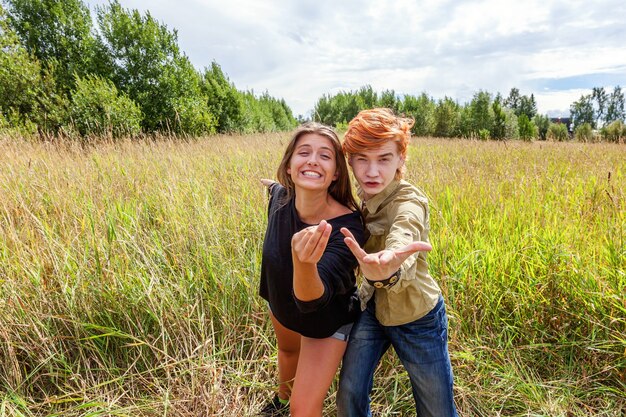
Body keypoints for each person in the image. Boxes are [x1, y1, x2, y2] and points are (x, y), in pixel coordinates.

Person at [337, 108, 458, 417]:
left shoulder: (409, 201)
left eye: (384, 159)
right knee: (349, 394)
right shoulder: (362, 196)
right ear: (350, 161)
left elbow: (405, 229)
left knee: (437, 411)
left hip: (418, 317)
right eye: (362, 159)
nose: (372, 172)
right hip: (374, 310)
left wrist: (390, 265)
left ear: (401, 159)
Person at [258, 122, 366, 417]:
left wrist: (304, 263)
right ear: (290, 166)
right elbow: (276, 186)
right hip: (281, 304)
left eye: (325, 156)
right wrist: (269, 184)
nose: (312, 160)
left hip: (325, 322)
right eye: (303, 152)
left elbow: (313, 299)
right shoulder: (280, 198)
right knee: (288, 353)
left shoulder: (348, 227)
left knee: (303, 409)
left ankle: (289, 406)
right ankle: (279, 403)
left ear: (336, 174)